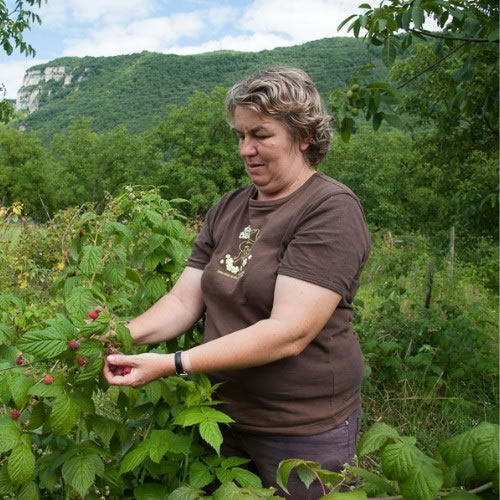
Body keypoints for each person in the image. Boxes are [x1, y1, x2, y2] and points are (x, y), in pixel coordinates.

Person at [103, 66, 371, 499]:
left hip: (302, 432)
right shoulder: (229, 206)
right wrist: (115, 336)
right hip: (224, 417)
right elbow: (182, 302)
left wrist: (172, 364)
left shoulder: (329, 209)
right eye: (240, 135)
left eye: (260, 134)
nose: (246, 149)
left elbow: (290, 333)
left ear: (304, 136)